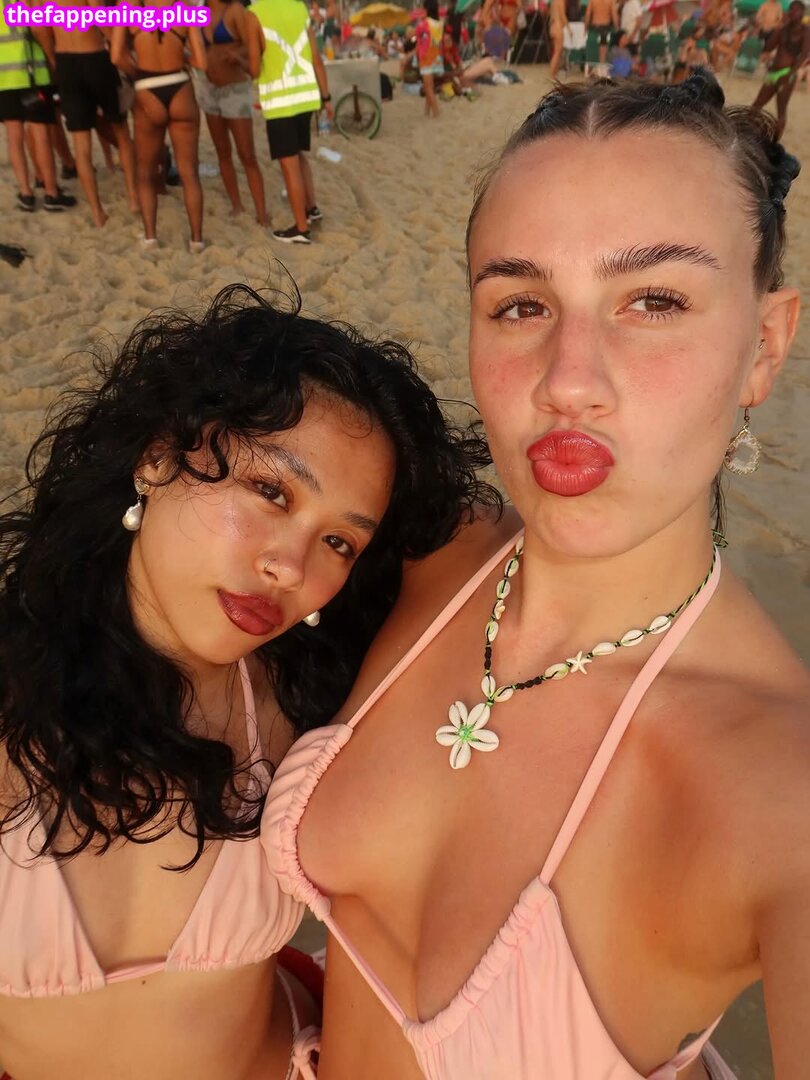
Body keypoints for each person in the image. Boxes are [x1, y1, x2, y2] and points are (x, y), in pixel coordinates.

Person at [264, 71, 808, 1080]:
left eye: (654, 301)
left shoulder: (777, 786)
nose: (568, 380)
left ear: (764, 347)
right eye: (521, 304)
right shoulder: (420, 551)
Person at [0, 283, 498, 1080]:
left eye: (339, 542)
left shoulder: (311, 707)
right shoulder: (12, 703)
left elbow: (491, 543)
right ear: (157, 457)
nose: (290, 567)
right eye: (271, 492)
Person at [110, 11, 207, 252]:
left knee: (145, 173)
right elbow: (202, 62)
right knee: (189, 173)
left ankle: (150, 237)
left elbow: (116, 55)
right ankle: (197, 240)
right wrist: (184, 58)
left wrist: (138, 73)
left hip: (147, 86)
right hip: (179, 85)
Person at [37, 7, 138, 228]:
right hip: (94, 56)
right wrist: (117, 44)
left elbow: (40, 28)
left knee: (81, 145)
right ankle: (133, 198)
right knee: (120, 129)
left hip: (65, 61)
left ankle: (97, 212)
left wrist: (53, 57)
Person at [250, 0, 333, 245]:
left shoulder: (255, 13)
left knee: (289, 165)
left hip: (280, 101)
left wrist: (238, 59)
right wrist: (326, 97)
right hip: (306, 97)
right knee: (298, 155)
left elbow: (254, 68)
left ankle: (301, 228)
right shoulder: (299, 7)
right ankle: (311, 207)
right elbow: (316, 58)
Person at [193, 0, 268, 227]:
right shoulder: (199, 12)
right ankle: (236, 205)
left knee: (247, 155)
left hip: (235, 89)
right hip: (209, 88)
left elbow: (254, 43)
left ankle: (262, 214)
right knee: (222, 151)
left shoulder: (235, 10)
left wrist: (236, 53)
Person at [0, 3, 76, 212]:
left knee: (14, 137)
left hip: (4, 80)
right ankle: (51, 192)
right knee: (40, 132)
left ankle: (26, 193)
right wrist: (52, 59)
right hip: (31, 76)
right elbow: (39, 29)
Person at [752, 0, 810, 140]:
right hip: (773, 73)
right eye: (791, 9)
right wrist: (777, 29)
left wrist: (790, 74)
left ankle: (776, 140)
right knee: (756, 106)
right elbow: (768, 47)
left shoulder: (806, 31)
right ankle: (749, 133)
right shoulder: (783, 29)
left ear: (802, 13)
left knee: (781, 110)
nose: (793, 12)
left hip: (787, 73)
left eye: (796, 10)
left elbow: (804, 54)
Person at [414, 0, 444, 118]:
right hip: (436, 57)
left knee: (428, 87)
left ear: (426, 9)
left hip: (426, 57)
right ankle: (426, 111)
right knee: (429, 86)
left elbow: (419, 41)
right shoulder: (439, 24)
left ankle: (436, 112)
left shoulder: (423, 24)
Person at [548, 0, 569, 78]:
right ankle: (551, 74)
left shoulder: (553, 2)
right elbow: (563, 16)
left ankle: (554, 73)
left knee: (556, 52)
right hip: (558, 27)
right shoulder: (561, 2)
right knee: (557, 52)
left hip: (552, 27)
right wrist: (569, 28)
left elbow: (550, 15)